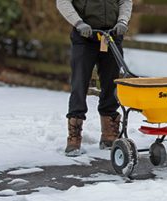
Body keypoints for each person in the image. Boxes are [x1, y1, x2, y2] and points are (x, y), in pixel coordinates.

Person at [56, 0, 133, 157]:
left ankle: (109, 133)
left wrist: (123, 21)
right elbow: (62, 2)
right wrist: (78, 23)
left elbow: (125, 1)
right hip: (85, 36)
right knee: (79, 83)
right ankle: (74, 136)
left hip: (112, 35)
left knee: (111, 83)